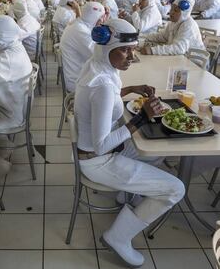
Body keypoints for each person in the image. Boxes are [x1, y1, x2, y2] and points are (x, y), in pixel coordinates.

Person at [75, 18, 185, 267]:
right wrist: (142, 118)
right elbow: (102, 145)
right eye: (125, 49)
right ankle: (117, 237)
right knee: (176, 189)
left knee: (155, 154)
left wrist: (130, 88)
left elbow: (104, 97)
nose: (131, 56)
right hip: (98, 160)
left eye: (133, 48)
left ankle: (127, 199)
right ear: (106, 47)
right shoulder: (102, 85)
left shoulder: (96, 67)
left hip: (100, 152)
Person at [60, 2, 106, 92]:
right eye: (102, 17)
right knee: (110, 89)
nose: (103, 20)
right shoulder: (80, 30)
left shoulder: (80, 24)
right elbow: (100, 56)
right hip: (77, 81)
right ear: (95, 18)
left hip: (80, 73)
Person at [141, 0, 205, 55]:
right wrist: (145, 37)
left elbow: (179, 48)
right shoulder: (174, 23)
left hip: (193, 62)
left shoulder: (188, 25)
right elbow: (163, 36)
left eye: (176, 10)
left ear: (184, 13)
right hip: (181, 58)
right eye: (171, 9)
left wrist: (152, 50)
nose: (171, 12)